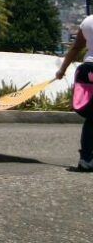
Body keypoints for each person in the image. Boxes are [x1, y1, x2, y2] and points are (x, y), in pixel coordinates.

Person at [55, 13, 93, 172]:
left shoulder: (88, 21)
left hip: (88, 70)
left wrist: (62, 69)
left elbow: (76, 47)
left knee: (92, 117)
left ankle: (86, 158)